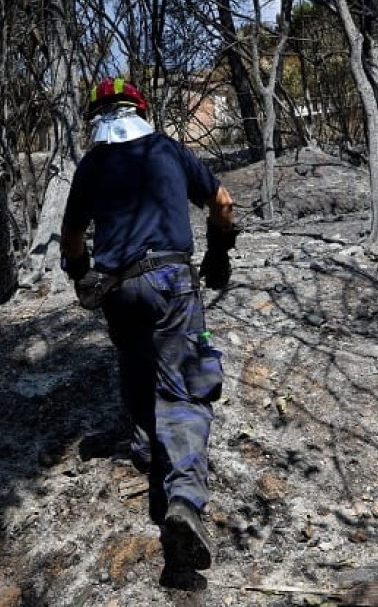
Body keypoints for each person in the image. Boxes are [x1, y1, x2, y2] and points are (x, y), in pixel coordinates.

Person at [60, 77, 236, 571]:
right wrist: (219, 251)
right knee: (185, 390)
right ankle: (183, 500)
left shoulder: (92, 164)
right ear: (140, 109)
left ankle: (146, 450)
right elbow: (222, 202)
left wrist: (80, 273)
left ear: (96, 117)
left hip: (118, 288)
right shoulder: (168, 149)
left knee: (136, 362)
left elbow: (71, 237)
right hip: (171, 281)